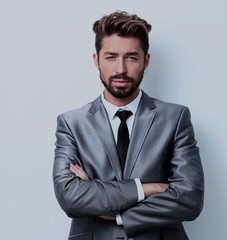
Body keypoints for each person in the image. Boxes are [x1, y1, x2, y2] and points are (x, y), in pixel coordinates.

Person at [53, 11, 204, 240]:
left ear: (146, 60)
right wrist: (148, 188)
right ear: (96, 60)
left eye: (131, 57)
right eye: (111, 57)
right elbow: (70, 197)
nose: (120, 69)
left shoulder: (176, 118)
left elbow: (189, 199)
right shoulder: (71, 123)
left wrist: (118, 216)